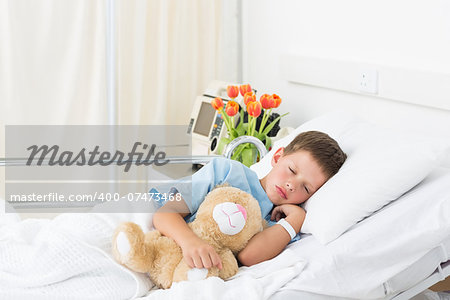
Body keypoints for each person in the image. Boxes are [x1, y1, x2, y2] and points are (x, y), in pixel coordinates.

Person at [152, 131, 347, 269]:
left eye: (305, 188)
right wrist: (191, 242)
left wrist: (296, 219)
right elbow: (164, 214)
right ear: (278, 157)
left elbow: (248, 257)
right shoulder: (228, 172)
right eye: (292, 170)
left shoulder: (278, 222)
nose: (291, 185)